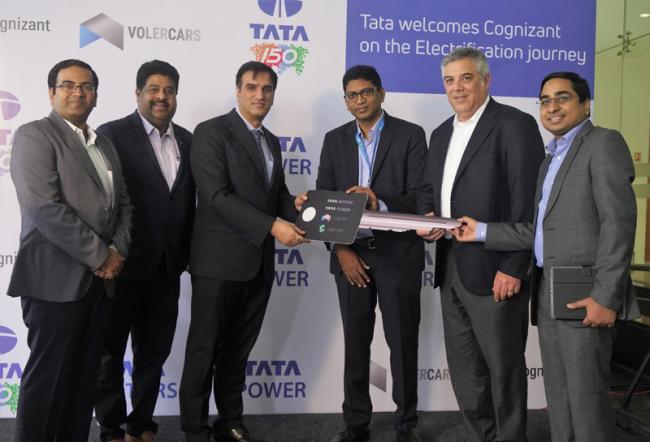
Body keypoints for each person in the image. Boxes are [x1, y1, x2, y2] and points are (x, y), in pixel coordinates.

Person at [454, 71, 639, 442]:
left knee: (586, 403)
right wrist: (482, 231)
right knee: (560, 397)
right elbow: (536, 232)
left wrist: (606, 297)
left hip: (587, 294)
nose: (552, 107)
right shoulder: (550, 158)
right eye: (545, 100)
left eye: (562, 97)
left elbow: (618, 224)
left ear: (585, 104)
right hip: (549, 295)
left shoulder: (603, 143)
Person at [416, 47, 545, 441]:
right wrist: (427, 220)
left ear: (486, 80)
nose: (457, 88)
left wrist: (514, 266)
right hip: (450, 267)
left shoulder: (515, 125)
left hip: (496, 269)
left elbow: (527, 203)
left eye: (466, 78)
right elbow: (428, 191)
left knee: (504, 370)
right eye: (449, 80)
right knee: (465, 371)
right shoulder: (440, 133)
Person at [179, 61, 305, 442]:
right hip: (217, 262)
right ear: (237, 90)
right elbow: (216, 196)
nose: (259, 95)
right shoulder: (211, 132)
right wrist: (274, 226)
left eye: (267, 89)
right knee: (204, 349)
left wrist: (297, 209)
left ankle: (230, 419)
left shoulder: (271, 141)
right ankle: (194, 429)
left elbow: (275, 196)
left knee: (238, 349)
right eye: (251, 87)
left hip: (258, 263)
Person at [8, 59, 132, 442]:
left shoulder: (104, 143)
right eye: (68, 85)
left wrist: (118, 249)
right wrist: (101, 255)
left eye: (87, 86)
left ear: (95, 95)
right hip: (54, 282)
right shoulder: (35, 135)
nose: (78, 92)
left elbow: (124, 204)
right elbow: (43, 206)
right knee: (48, 381)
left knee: (83, 381)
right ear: (51, 93)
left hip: (99, 284)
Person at [315, 65, 427, 442]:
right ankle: (356, 423)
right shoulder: (334, 140)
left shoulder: (410, 135)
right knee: (356, 343)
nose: (360, 100)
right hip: (352, 256)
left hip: (398, 255)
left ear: (381, 93)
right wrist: (342, 249)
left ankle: (406, 424)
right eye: (352, 95)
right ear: (346, 101)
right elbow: (324, 200)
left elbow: (420, 197)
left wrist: (379, 202)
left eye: (366, 92)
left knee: (403, 343)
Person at [94, 60, 195, 442]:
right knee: (109, 352)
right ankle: (111, 426)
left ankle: (141, 423)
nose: (161, 97)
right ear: (138, 93)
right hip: (120, 265)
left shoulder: (188, 140)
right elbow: (102, 199)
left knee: (154, 353)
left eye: (169, 90)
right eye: (154, 89)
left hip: (167, 268)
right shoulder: (111, 135)